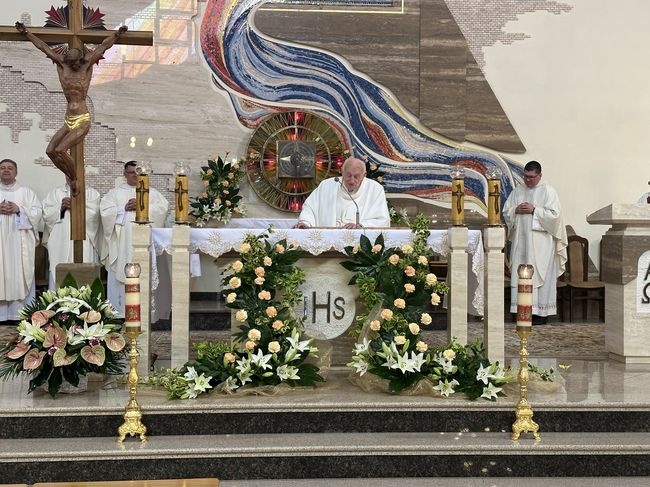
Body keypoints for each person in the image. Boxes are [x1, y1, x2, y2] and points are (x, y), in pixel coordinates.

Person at [15, 22, 127, 195]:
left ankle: (74, 179)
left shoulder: (87, 65)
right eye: (71, 63)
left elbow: (103, 46)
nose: (74, 66)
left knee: (60, 150)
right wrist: (26, 33)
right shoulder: (62, 65)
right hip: (69, 118)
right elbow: (44, 47)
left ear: (81, 60)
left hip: (82, 117)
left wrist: (118, 34)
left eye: (76, 63)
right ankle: (70, 175)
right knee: (50, 151)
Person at [100, 161, 169, 316]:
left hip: (145, 241)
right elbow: (105, 212)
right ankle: (118, 313)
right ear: (124, 174)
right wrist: (122, 209)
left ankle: (145, 313)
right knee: (121, 273)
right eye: (131, 172)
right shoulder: (115, 193)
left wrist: (142, 206)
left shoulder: (152, 193)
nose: (135, 176)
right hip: (122, 242)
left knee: (145, 273)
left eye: (137, 172)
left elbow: (162, 209)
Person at [503, 161, 567, 324]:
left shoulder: (548, 191)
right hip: (521, 243)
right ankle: (523, 312)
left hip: (541, 245)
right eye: (525, 176)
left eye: (531, 177)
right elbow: (506, 211)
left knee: (540, 275)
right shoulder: (518, 190)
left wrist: (535, 210)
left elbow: (555, 216)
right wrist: (515, 210)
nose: (528, 180)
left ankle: (540, 314)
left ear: (539, 175)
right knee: (521, 274)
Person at [0, 158, 42, 323]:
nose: (6, 170)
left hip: (19, 242)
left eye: (10, 168)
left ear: (16, 172)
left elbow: (37, 212)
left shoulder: (26, 192)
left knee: (18, 271)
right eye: (2, 168)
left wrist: (19, 210)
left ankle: (19, 314)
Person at [42, 177, 103, 290]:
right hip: (60, 240)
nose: (71, 178)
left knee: (84, 277)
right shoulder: (55, 193)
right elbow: (46, 214)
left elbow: (95, 216)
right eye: (68, 174)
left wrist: (78, 205)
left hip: (84, 240)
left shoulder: (92, 194)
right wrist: (60, 207)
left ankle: (86, 305)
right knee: (58, 272)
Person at [294, 157, 390, 229]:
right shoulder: (327, 185)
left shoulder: (375, 190)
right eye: (348, 175)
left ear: (364, 175)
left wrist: (360, 225)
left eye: (356, 176)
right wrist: (306, 223)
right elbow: (310, 208)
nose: (352, 180)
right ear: (342, 172)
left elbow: (382, 220)